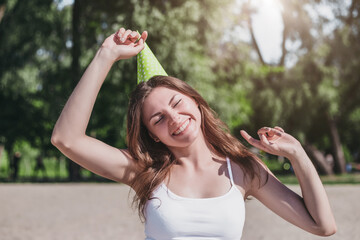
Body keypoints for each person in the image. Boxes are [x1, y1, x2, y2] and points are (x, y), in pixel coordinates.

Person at [51, 28, 337, 239]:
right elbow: (66, 138)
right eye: (158, 118)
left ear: (196, 102)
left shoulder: (243, 170)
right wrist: (106, 55)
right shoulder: (145, 172)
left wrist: (297, 153)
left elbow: (322, 226)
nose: (174, 118)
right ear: (153, 135)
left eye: (177, 103)